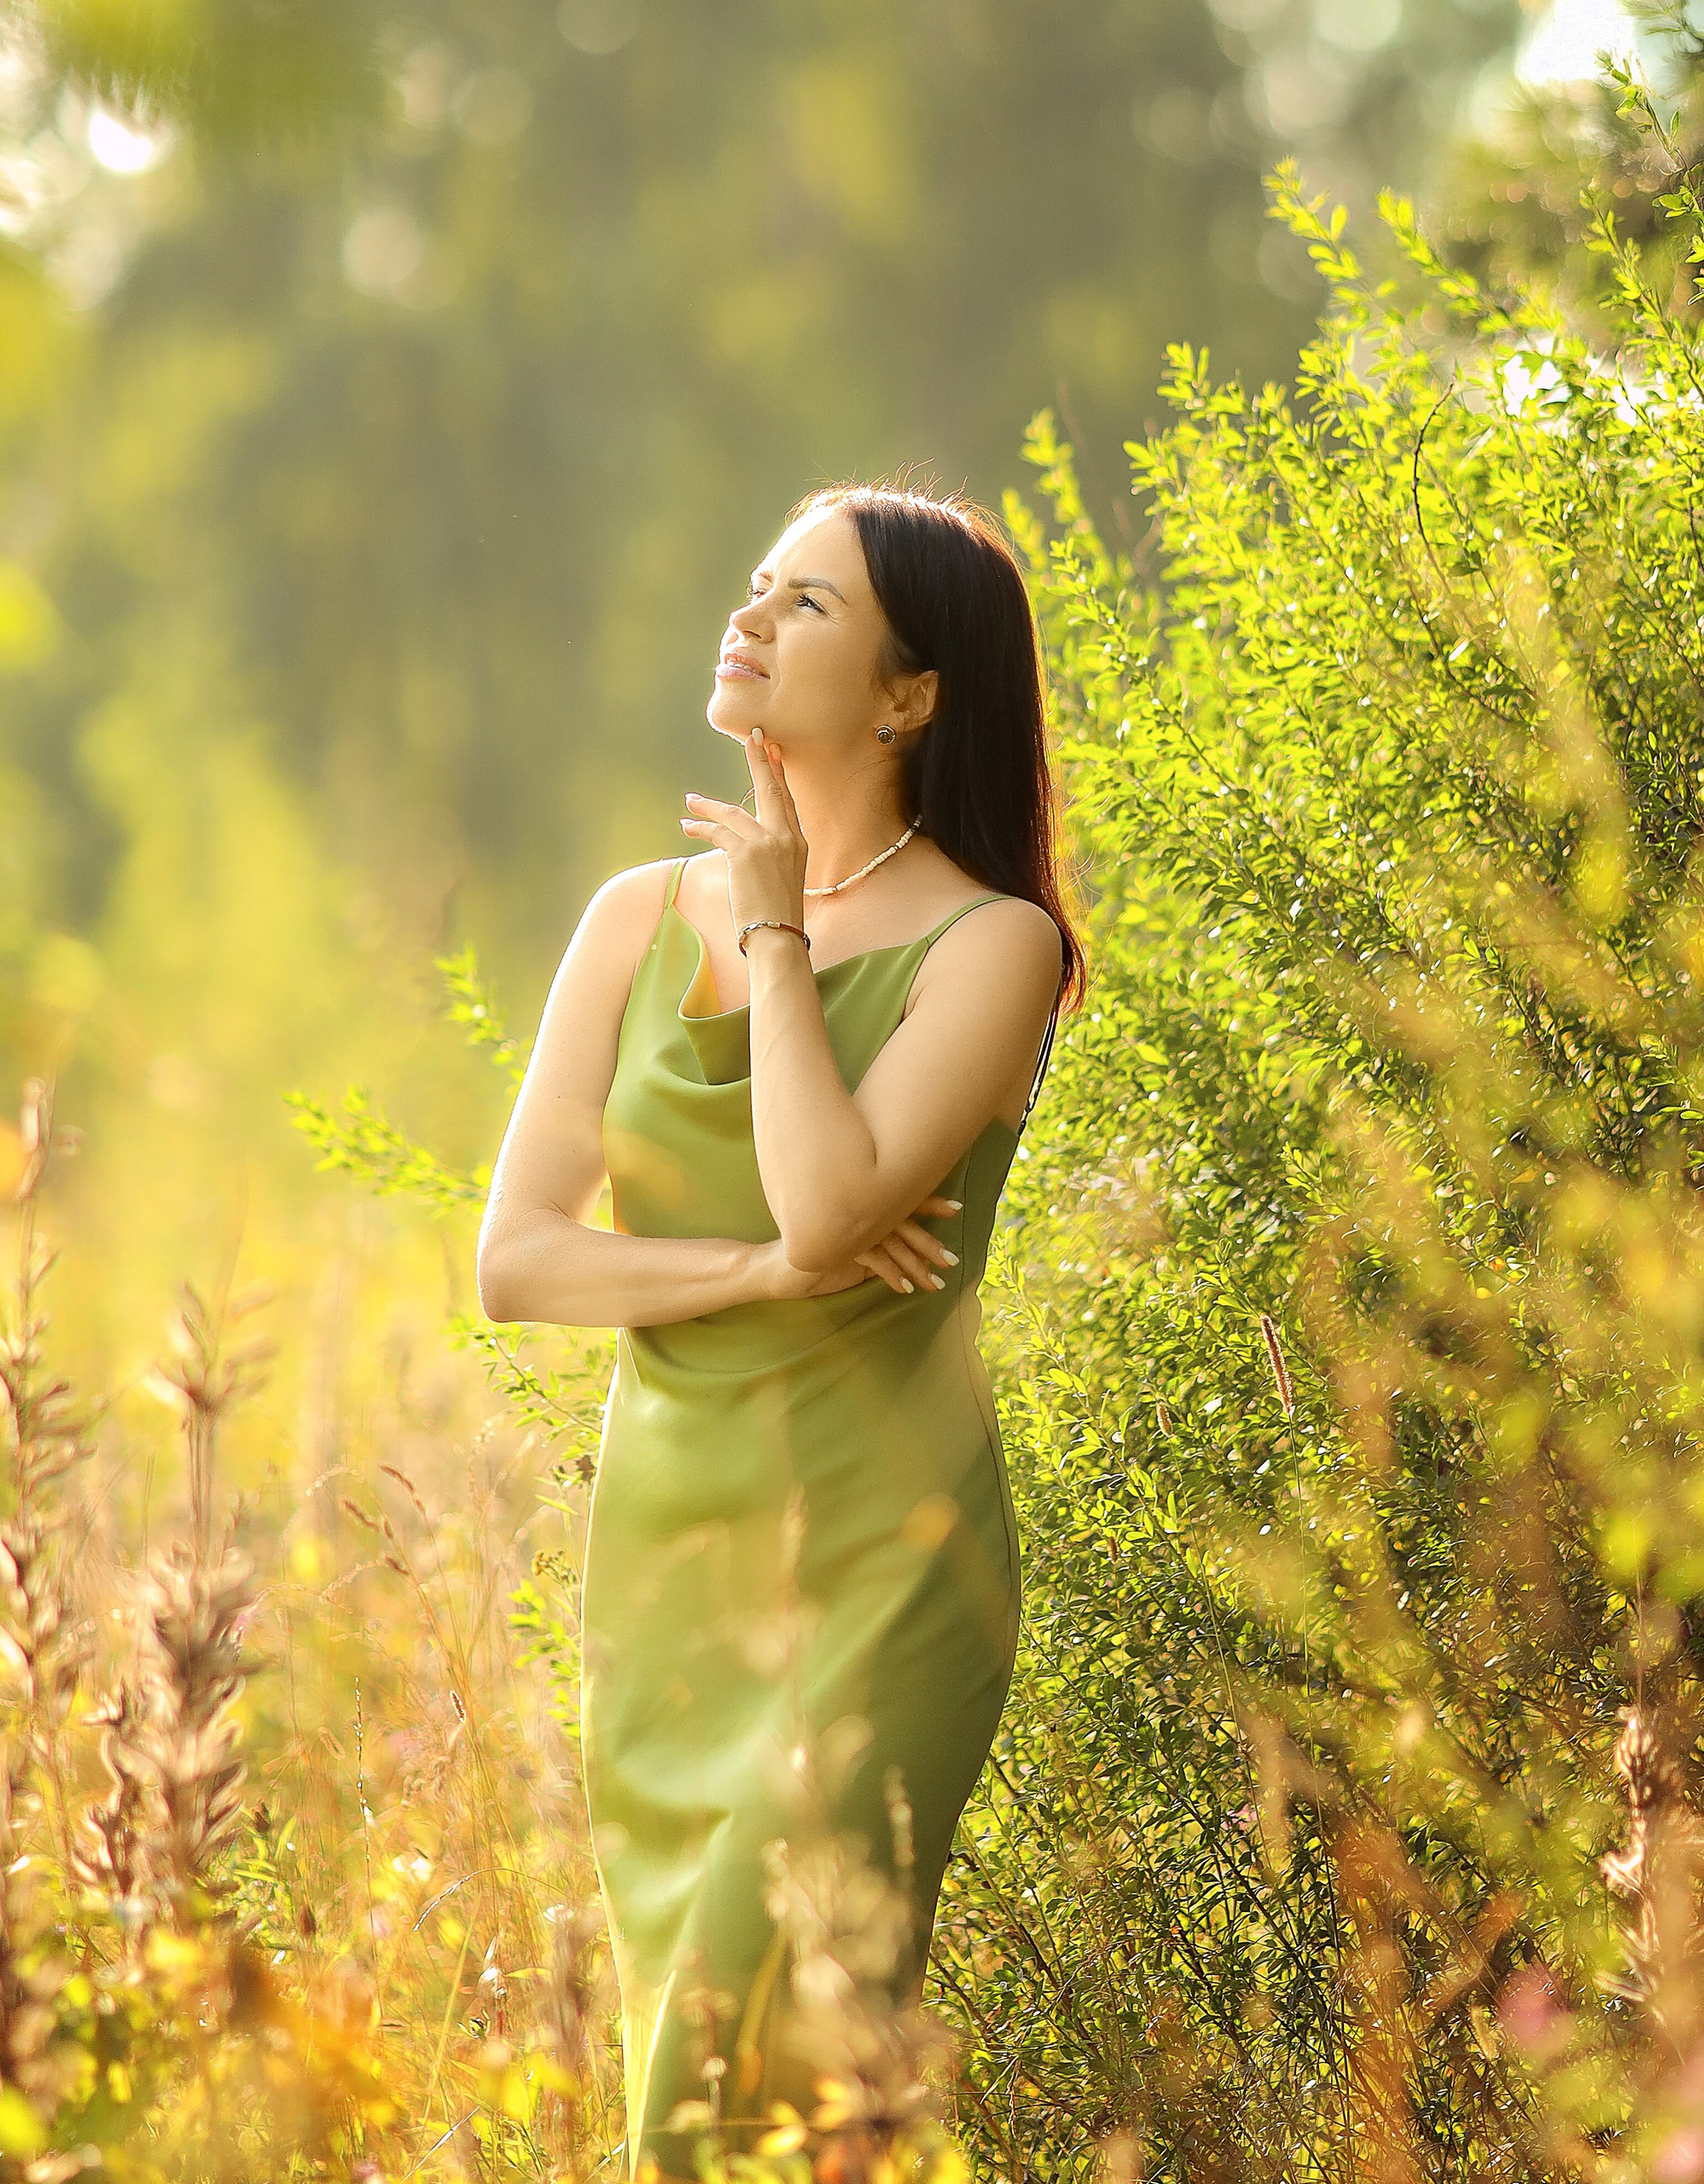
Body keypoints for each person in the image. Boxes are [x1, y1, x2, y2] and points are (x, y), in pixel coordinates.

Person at [475, 480, 1083, 2177]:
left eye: (803, 604)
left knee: (721, 2075)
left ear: (907, 694)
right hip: (672, 1579)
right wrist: (740, 1280)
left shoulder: (994, 943)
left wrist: (772, 914)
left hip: (881, 1580)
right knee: (762, 2102)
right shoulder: (624, 919)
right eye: (754, 585)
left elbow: (825, 1202)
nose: (746, 616)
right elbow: (517, 1261)